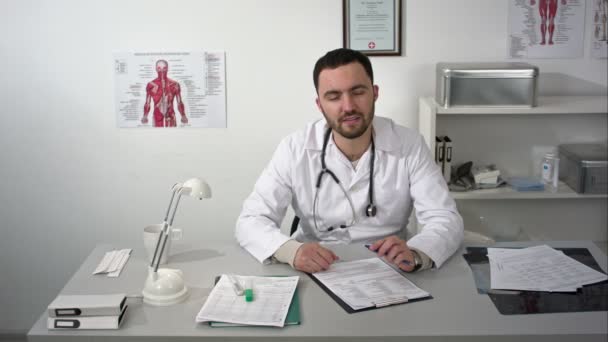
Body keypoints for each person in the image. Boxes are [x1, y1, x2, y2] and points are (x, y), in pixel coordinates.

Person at [235, 48, 463, 273]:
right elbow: (250, 221)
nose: (348, 106)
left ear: (374, 93)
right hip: (315, 268)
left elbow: (445, 218)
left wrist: (416, 253)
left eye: (358, 92)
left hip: (390, 268)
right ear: (319, 104)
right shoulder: (295, 148)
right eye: (333, 97)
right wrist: (290, 251)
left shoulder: (408, 144)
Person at [141, 59, 188, 127]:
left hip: (170, 115)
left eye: (164, 68)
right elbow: (147, 103)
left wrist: (183, 115)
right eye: (159, 68)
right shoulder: (151, 85)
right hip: (157, 116)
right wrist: (145, 116)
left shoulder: (175, 84)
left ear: (167, 69)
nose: (162, 71)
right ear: (156, 69)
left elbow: (179, 102)